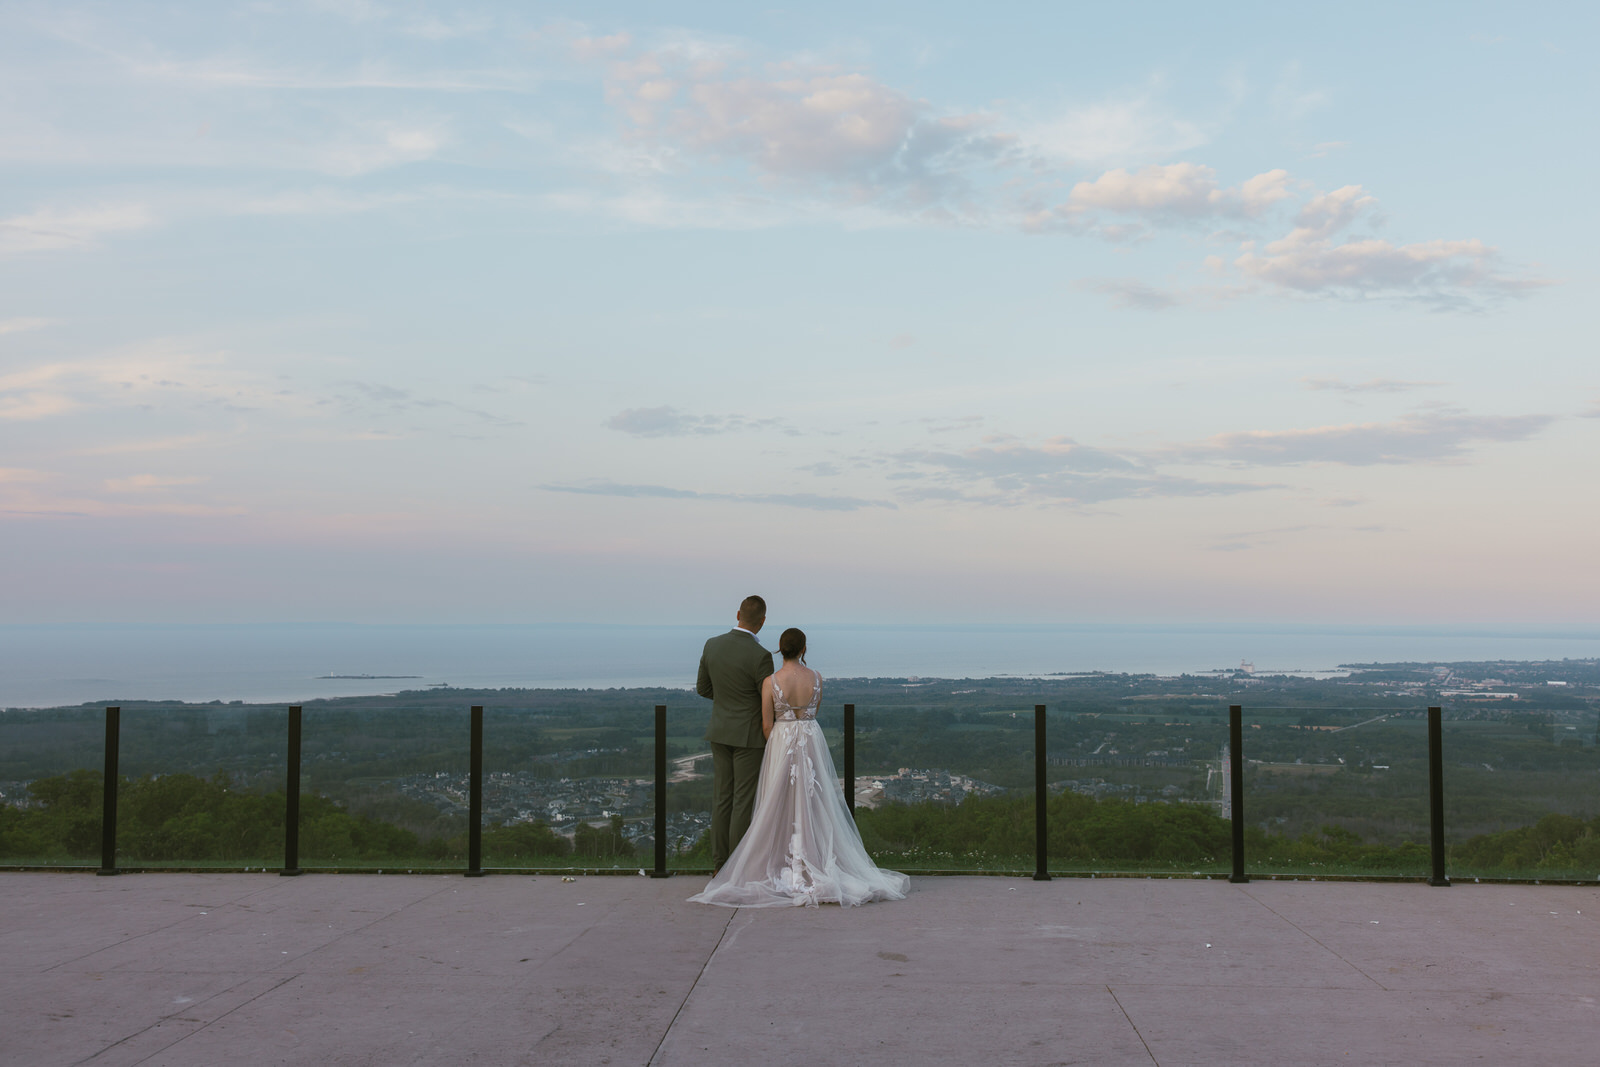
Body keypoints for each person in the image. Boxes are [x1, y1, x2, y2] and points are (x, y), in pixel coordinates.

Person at [690, 627, 909, 908]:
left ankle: (767, 861)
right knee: (814, 799)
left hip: (782, 739)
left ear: (780, 649)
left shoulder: (771, 681)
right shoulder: (817, 678)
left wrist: (781, 745)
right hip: (810, 739)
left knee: (776, 801)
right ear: (804, 649)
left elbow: (767, 725)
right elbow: (813, 712)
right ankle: (813, 859)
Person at [696, 595, 775, 873]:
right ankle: (738, 867)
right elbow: (767, 700)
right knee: (743, 800)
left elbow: (703, 689)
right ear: (762, 622)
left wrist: (727, 702)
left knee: (722, 798)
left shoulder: (712, 645)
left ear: (738, 613)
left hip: (719, 731)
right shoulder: (761, 656)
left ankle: (719, 864)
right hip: (749, 736)